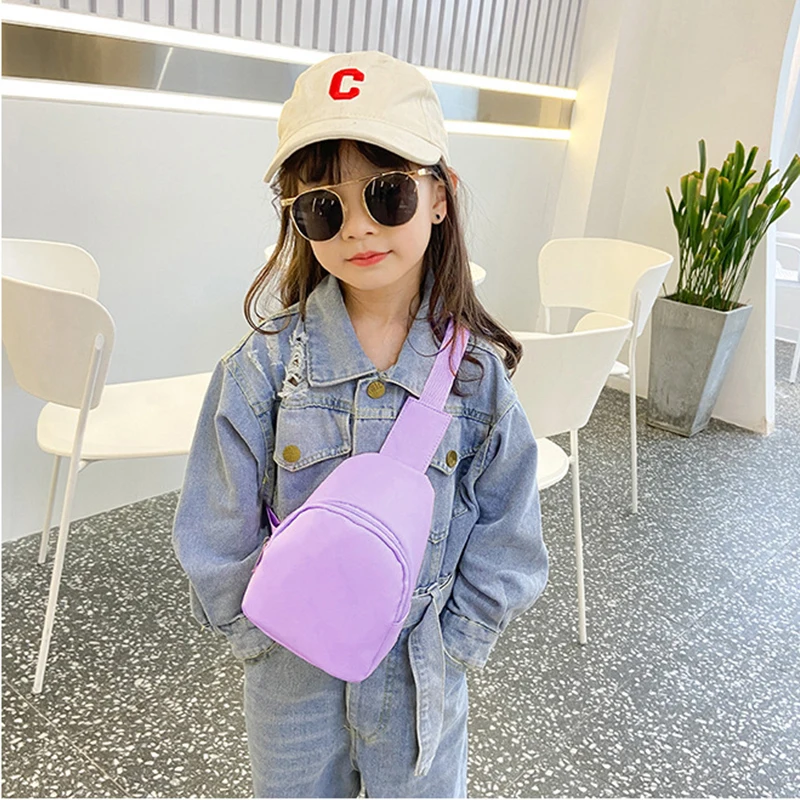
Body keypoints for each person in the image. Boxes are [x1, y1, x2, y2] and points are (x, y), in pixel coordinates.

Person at [172, 50, 548, 799]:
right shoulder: (261, 370)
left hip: (420, 683)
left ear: (438, 196)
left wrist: (455, 644)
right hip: (292, 687)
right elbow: (214, 531)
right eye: (324, 207)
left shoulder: (477, 380)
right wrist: (261, 643)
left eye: (387, 194)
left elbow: (509, 534)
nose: (358, 229)